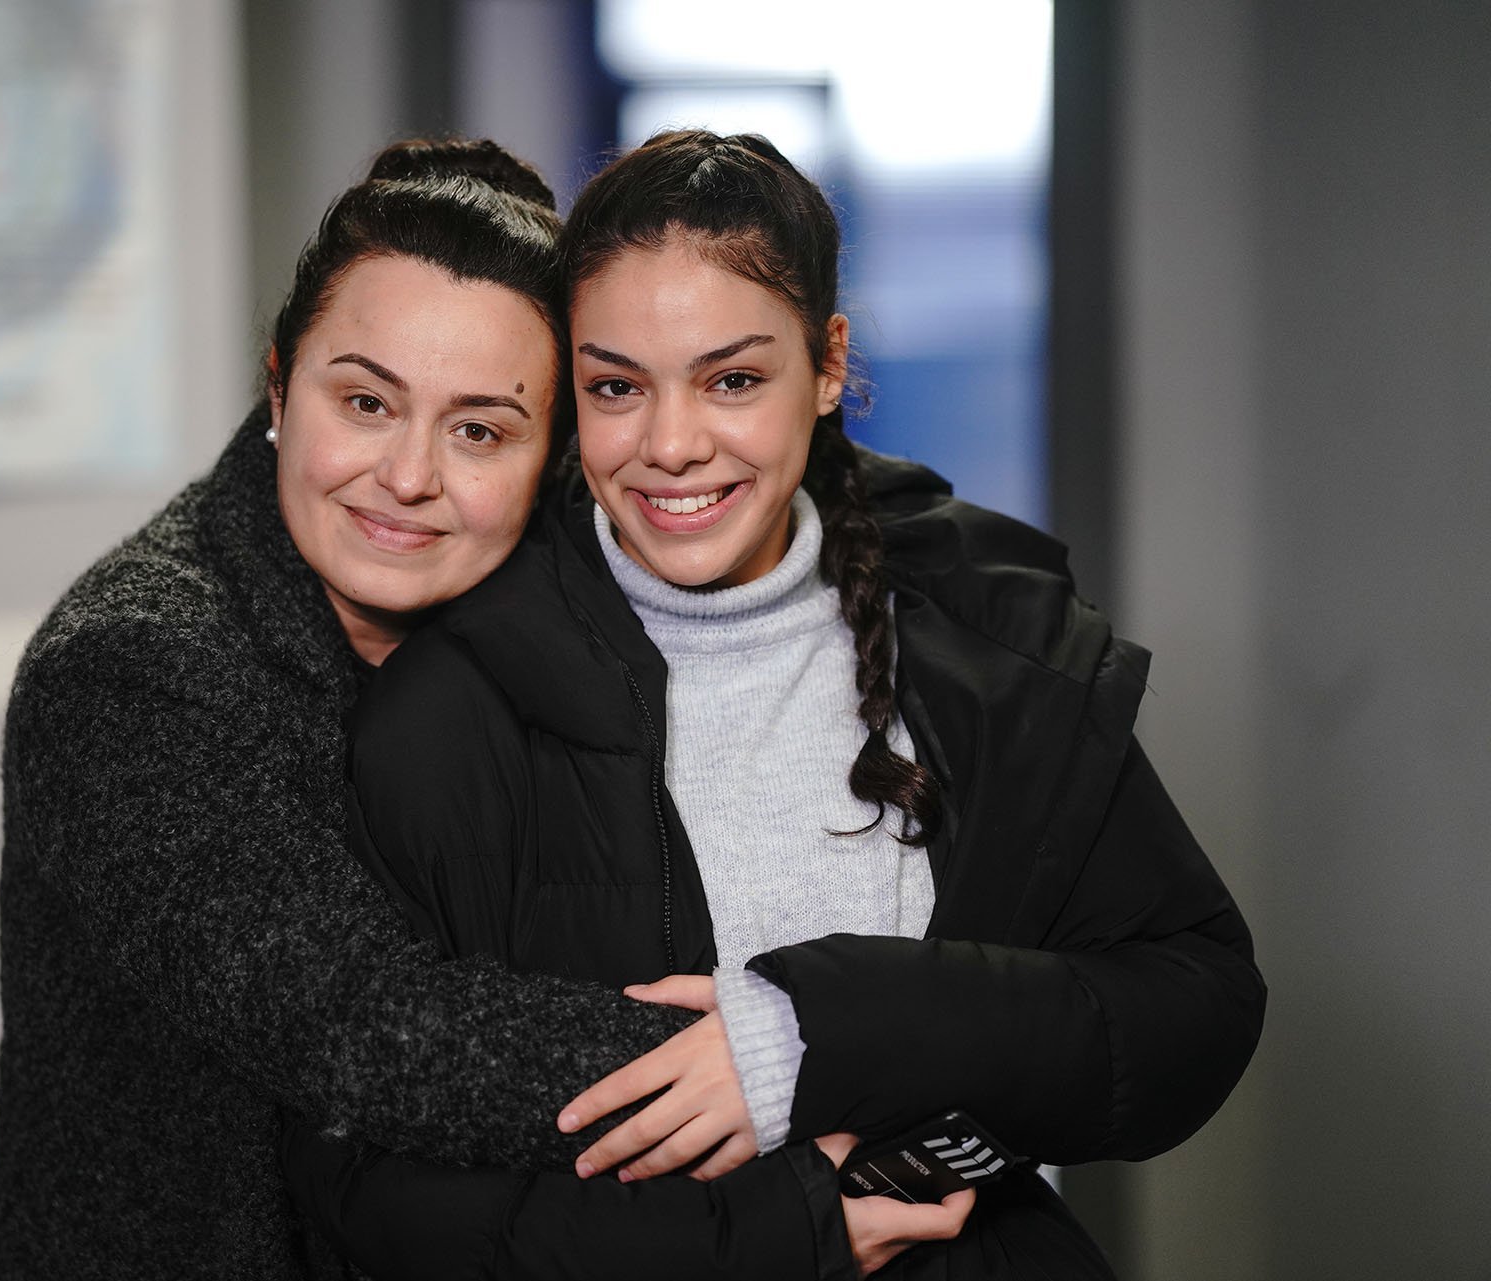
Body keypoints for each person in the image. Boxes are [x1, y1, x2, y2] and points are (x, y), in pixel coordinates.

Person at [280, 129, 1267, 1279]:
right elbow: (367, 1200)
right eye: (616, 387)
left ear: (829, 364)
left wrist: (815, 1029)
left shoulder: (990, 637)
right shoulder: (447, 712)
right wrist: (788, 1232)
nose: (672, 446)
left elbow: (1191, 1009)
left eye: (733, 380)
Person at [0, 138, 855, 1280]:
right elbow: (368, 1027)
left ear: (553, 456)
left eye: (479, 429)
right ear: (279, 388)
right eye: (366, 402)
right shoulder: (139, 666)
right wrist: (786, 1056)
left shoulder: (532, 621)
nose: (409, 476)